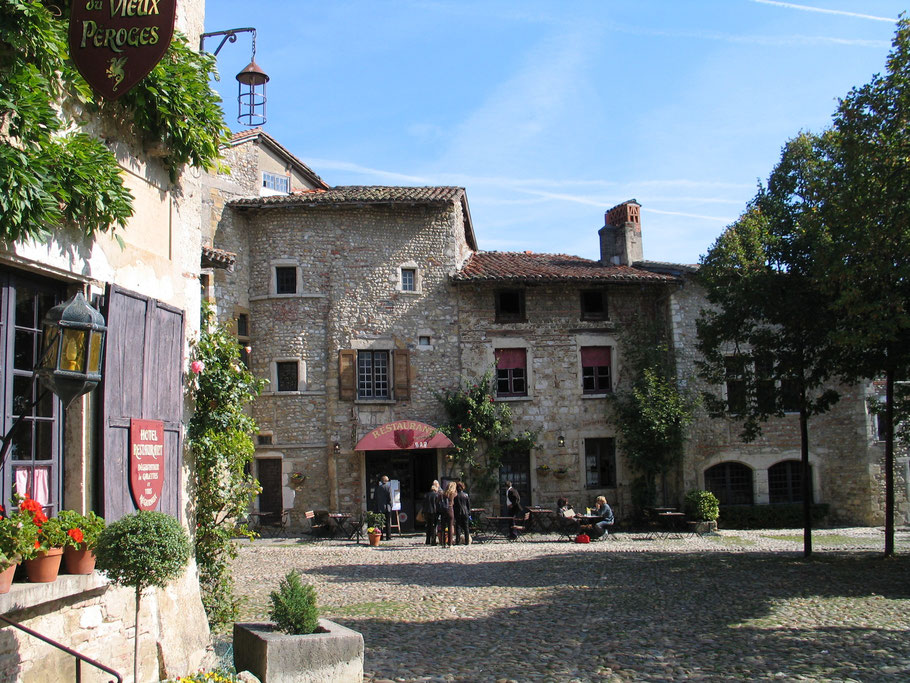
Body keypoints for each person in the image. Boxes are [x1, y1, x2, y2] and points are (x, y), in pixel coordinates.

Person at [374, 475, 393, 541]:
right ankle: (388, 537)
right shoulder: (388, 488)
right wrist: (391, 506)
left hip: (380, 508)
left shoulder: (378, 488)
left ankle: (381, 536)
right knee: (387, 523)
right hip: (387, 507)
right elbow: (390, 498)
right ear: (386, 481)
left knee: (380, 523)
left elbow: (375, 498)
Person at [439, 481, 457, 548]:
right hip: (450, 510)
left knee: (443, 527)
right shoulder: (453, 494)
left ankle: (443, 543)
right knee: (450, 527)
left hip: (443, 510)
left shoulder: (443, 494)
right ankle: (450, 543)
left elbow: (437, 501)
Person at [453, 481, 471, 545]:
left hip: (458, 512)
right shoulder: (466, 495)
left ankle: (457, 541)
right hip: (465, 512)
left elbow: (454, 506)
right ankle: (467, 541)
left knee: (458, 527)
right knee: (466, 527)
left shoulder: (455, 496)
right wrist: (469, 513)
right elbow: (468, 505)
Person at [422, 481, 440, 545]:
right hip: (434, 512)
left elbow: (423, 504)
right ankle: (433, 540)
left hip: (426, 512)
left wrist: (423, 512)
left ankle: (427, 540)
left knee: (428, 526)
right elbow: (437, 505)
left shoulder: (426, 495)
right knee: (434, 526)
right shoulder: (436, 495)